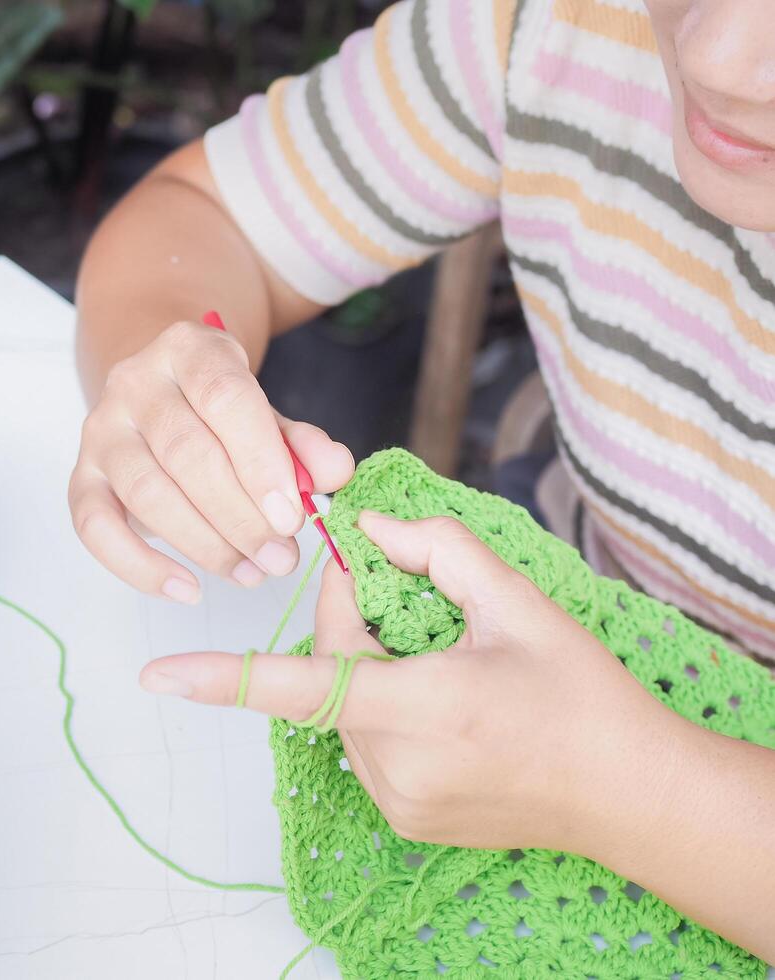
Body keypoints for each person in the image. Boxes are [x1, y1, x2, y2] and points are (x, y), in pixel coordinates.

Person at [69, 0, 775, 960]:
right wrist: (176, 380)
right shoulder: (549, 24)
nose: (719, 60)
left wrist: (614, 784)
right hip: (606, 585)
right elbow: (200, 218)